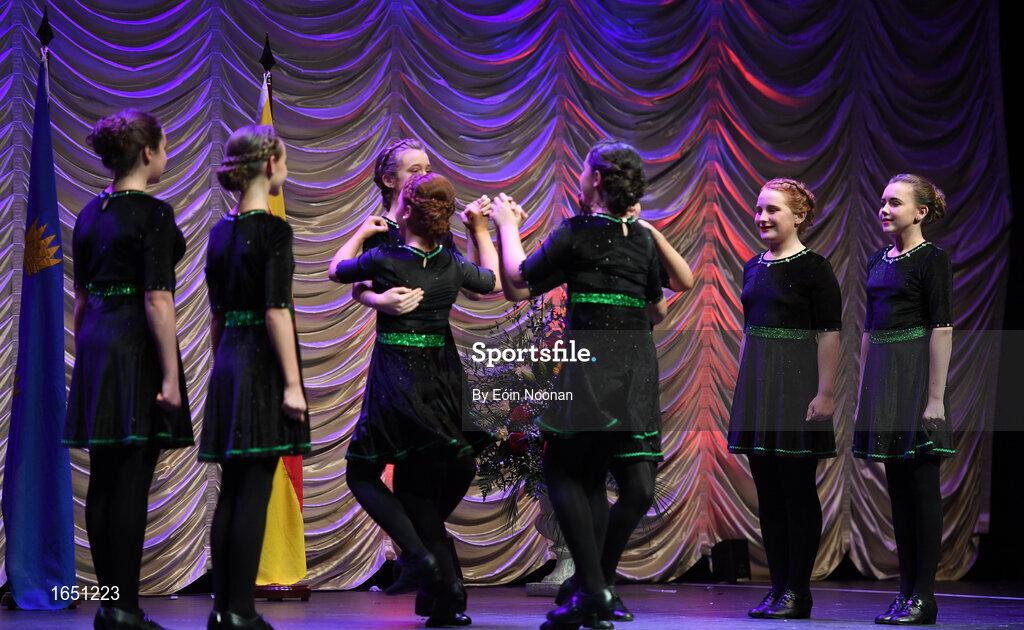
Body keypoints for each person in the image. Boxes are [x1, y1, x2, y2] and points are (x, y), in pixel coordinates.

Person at [492, 141, 667, 629]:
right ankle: (593, 593)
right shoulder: (643, 240)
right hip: (634, 369)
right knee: (588, 475)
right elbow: (656, 309)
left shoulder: (576, 232)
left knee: (565, 471)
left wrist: (506, 226)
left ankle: (594, 591)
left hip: (592, 365)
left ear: (595, 180)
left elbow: (516, 283)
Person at [330, 172, 497, 627]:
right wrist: (481, 229)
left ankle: (419, 557)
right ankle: (443, 596)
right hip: (441, 386)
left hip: (397, 383)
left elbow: (336, 269)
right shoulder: (451, 263)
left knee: (362, 472)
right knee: (418, 493)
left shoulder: (385, 257)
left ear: (404, 211)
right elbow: (490, 280)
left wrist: (360, 233)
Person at [64, 109, 193, 630]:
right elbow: (158, 299)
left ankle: (111, 606)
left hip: (97, 343)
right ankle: (124, 609)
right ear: (147, 153)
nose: (166, 155)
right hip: (136, 346)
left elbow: (80, 300)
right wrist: (170, 377)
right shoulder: (154, 213)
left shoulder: (89, 213)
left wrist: (89, 361)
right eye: (164, 146)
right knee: (131, 482)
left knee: (104, 478)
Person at [200, 125, 310, 630]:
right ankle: (241, 611)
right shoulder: (273, 231)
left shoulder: (219, 232)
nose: (286, 168)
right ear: (269, 165)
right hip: (261, 366)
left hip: (229, 363)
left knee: (232, 491)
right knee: (253, 492)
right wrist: (292, 384)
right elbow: (276, 310)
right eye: (283, 159)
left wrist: (223, 366)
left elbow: (217, 314)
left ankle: (223, 609)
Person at [726, 179, 841, 620]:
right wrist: (745, 388)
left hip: (797, 388)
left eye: (772, 209)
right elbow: (748, 331)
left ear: (799, 216)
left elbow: (829, 334)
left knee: (796, 490)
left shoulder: (815, 268)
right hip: (759, 389)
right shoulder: (752, 266)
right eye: (759, 209)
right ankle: (777, 589)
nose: (762, 217)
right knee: (769, 495)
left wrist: (825, 393)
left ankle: (798, 591)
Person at [854, 174, 953, 625]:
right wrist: (863, 396)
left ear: (920, 212)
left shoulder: (932, 259)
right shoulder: (877, 259)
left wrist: (935, 399)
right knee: (898, 490)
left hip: (916, 377)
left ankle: (923, 596)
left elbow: (942, 329)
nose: (885, 209)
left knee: (921, 489)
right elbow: (869, 331)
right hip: (884, 380)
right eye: (882, 202)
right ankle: (904, 592)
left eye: (895, 202)